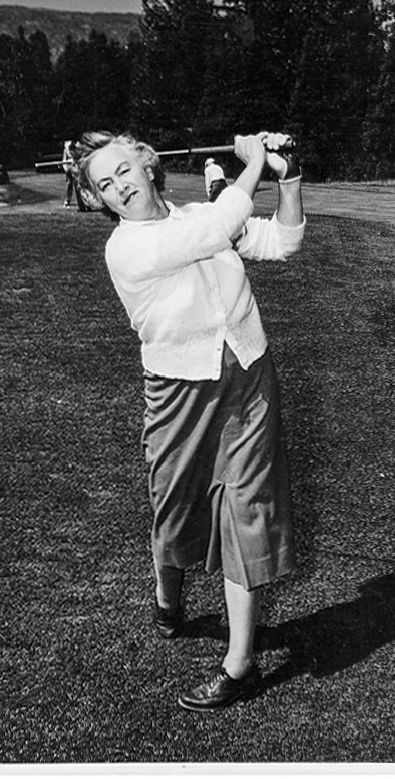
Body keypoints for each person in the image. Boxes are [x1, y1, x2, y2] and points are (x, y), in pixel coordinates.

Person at [71, 130, 305, 712]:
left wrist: (288, 175)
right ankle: (167, 595)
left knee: (247, 509)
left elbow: (283, 241)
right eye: (105, 185)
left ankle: (240, 662)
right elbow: (213, 230)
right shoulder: (125, 248)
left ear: (148, 165)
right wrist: (249, 165)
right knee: (174, 509)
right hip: (178, 390)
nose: (119, 187)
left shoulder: (202, 211)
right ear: (99, 201)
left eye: (123, 171)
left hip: (248, 376)